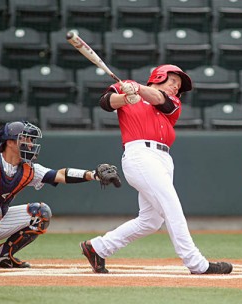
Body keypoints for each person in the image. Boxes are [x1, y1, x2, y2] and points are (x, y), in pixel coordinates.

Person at [80, 64, 233, 274]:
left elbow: (161, 100)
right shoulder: (127, 89)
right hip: (140, 155)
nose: (176, 88)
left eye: (178, 86)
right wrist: (126, 97)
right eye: (173, 82)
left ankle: (97, 247)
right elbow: (106, 103)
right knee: (171, 205)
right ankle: (197, 264)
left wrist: (138, 89)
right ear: (159, 77)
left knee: (151, 221)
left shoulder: (171, 101)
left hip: (163, 158)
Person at [0, 121, 121, 268]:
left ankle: (1, 256)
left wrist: (93, 174)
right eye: (26, 139)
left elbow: (60, 175)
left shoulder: (28, 168)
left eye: (32, 140)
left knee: (41, 213)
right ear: (10, 142)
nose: (31, 144)